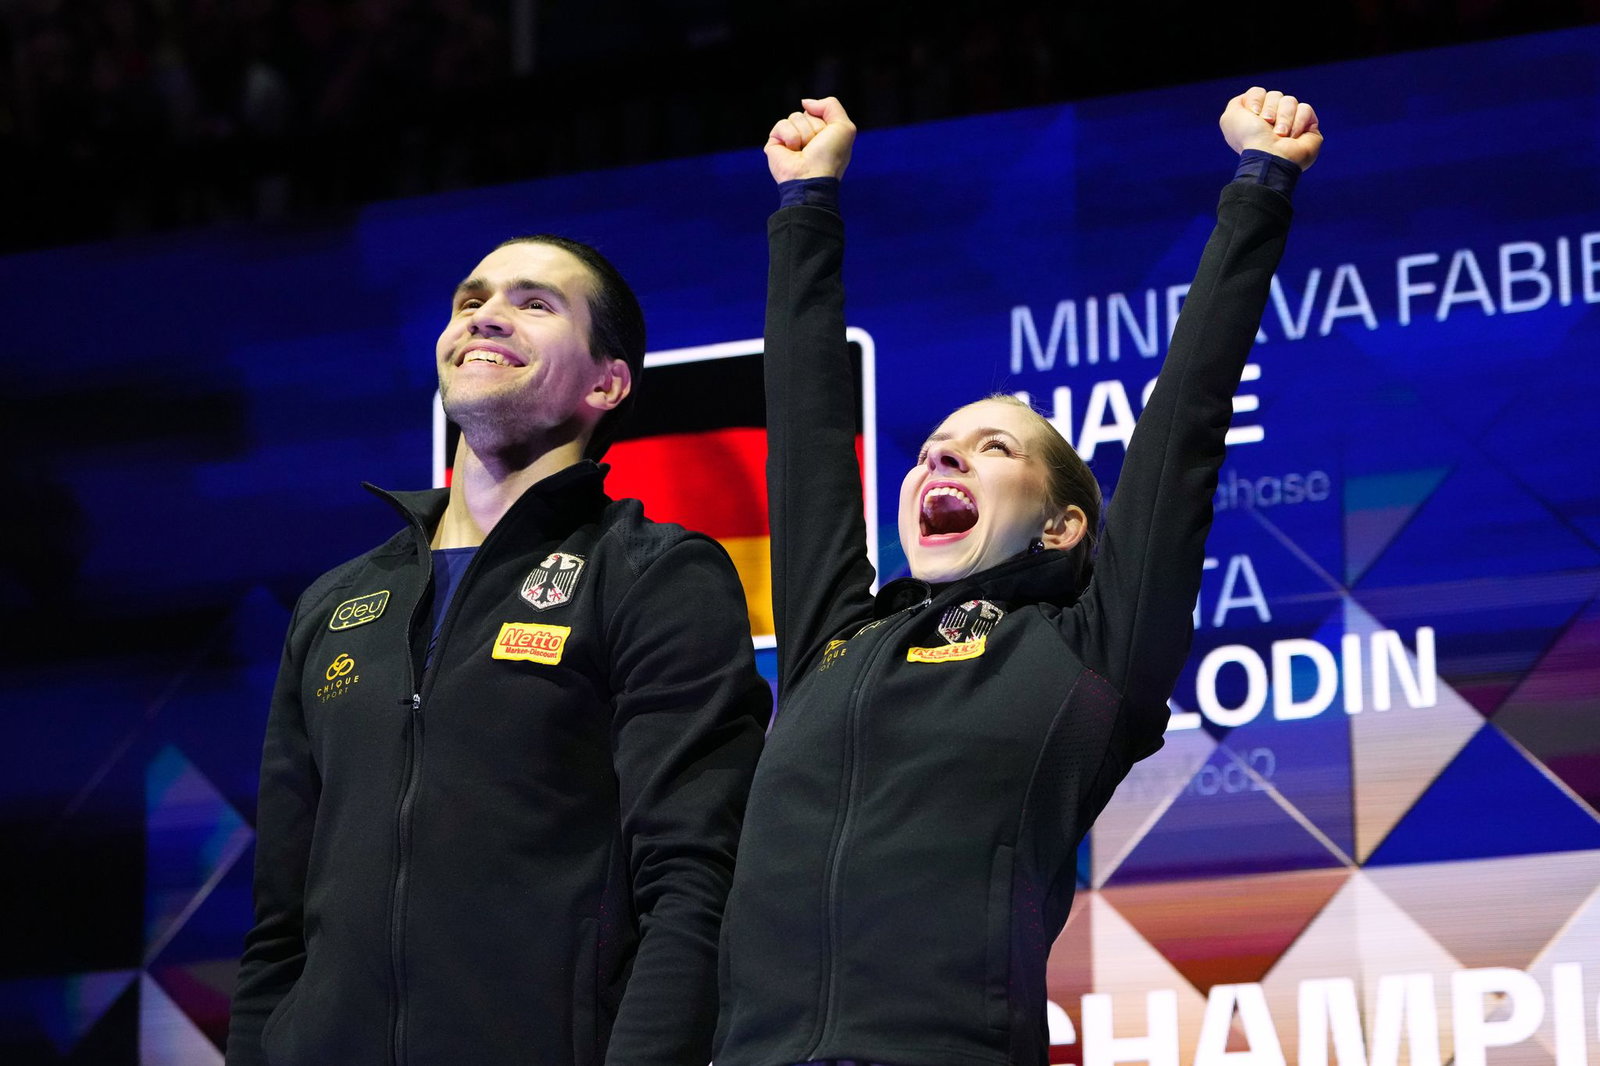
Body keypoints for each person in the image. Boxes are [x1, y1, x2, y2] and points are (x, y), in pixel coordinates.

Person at [714, 89, 1323, 1066]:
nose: (940, 462)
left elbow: (1185, 423)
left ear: (1063, 523)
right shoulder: (837, 637)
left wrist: (1259, 185)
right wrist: (805, 199)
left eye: (990, 448)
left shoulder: (1089, 652)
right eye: (931, 449)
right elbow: (809, 433)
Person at [227, 234, 772, 1066]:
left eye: (535, 302)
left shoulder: (654, 576)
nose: (487, 316)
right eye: (470, 299)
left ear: (606, 382)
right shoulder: (334, 604)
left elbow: (696, 884)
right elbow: (279, 921)